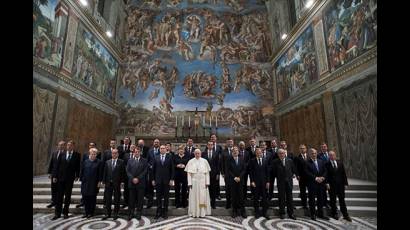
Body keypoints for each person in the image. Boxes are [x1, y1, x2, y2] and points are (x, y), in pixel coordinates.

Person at [52, 140, 81, 220]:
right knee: (59, 197)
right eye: (68, 145)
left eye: (70, 145)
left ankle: (65, 213)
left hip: (70, 179)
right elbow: (57, 166)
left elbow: (78, 167)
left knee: (67, 197)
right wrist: (54, 176)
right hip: (60, 179)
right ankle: (57, 213)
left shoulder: (77, 155)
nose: (68, 146)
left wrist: (77, 175)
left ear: (73, 146)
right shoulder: (61, 154)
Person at [325, 150, 351, 221]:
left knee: (342, 200)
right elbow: (326, 175)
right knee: (333, 201)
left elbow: (343, 174)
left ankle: (345, 215)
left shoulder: (340, 162)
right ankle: (334, 214)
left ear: (335, 155)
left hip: (340, 185)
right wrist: (326, 183)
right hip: (332, 186)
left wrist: (345, 183)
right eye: (330, 155)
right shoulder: (326, 164)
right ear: (329, 156)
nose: (332, 156)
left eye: (333, 155)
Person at [185, 149, 212, 217]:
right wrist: (189, 183)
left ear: (201, 154)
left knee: (202, 198)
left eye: (198, 153)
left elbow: (207, 173)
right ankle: (194, 212)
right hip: (194, 183)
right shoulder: (190, 161)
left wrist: (207, 182)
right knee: (194, 198)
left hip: (203, 182)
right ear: (194, 154)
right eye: (196, 153)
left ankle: (202, 212)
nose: (197, 154)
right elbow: (189, 174)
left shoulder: (205, 161)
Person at [272, 149, 297, 220]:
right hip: (280, 183)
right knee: (281, 198)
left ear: (285, 153)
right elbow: (273, 172)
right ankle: (282, 213)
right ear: (278, 154)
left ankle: (291, 213)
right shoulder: (275, 162)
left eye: (283, 153)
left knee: (290, 198)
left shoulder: (290, 161)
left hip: (289, 182)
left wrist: (293, 174)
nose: (282, 154)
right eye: (280, 153)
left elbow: (293, 169)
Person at [305, 148, 329, 220]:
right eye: (312, 153)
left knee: (320, 199)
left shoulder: (321, 161)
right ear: (309, 154)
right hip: (312, 184)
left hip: (321, 183)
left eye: (315, 153)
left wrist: (323, 178)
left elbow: (325, 171)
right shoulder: (307, 162)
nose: (314, 154)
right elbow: (307, 173)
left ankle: (320, 213)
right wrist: (316, 178)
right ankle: (313, 214)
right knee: (312, 200)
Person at [152, 145, 174, 219]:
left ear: (166, 149)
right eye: (161, 148)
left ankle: (165, 212)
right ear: (159, 150)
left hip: (166, 181)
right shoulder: (156, 157)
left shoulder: (169, 157)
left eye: (163, 148)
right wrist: (153, 179)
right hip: (158, 180)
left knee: (166, 197)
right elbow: (153, 170)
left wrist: (171, 179)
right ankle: (158, 212)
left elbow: (172, 169)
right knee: (158, 197)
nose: (162, 149)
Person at [79, 148, 103, 218]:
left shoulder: (99, 162)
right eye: (92, 154)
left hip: (94, 183)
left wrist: (99, 181)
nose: (93, 155)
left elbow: (100, 173)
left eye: (95, 154)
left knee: (92, 198)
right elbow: (82, 171)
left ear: (96, 155)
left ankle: (91, 213)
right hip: (85, 183)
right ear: (89, 154)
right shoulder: (85, 161)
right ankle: (86, 212)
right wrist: (81, 179)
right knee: (85, 198)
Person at [102, 148, 124, 220]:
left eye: (115, 153)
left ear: (118, 154)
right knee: (108, 199)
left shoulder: (121, 162)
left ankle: (115, 213)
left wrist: (122, 182)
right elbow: (105, 172)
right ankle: (108, 213)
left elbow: (122, 173)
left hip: (117, 184)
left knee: (117, 199)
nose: (114, 154)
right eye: (113, 153)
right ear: (111, 154)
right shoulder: (107, 162)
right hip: (108, 184)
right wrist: (104, 181)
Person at [127, 146, 148, 220]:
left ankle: (139, 213)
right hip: (132, 183)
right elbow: (127, 171)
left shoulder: (144, 161)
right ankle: (131, 213)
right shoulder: (130, 160)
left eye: (138, 152)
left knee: (140, 200)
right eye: (135, 152)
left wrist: (138, 178)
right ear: (133, 152)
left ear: (140, 153)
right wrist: (132, 178)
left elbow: (145, 171)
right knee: (131, 200)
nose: (136, 153)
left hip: (141, 183)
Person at [249, 148, 270, 219]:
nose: (258, 153)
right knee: (256, 198)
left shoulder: (265, 160)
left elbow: (267, 172)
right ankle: (257, 212)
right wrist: (252, 181)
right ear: (255, 153)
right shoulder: (252, 161)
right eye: (257, 152)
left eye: (260, 152)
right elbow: (250, 172)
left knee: (264, 198)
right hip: (255, 183)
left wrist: (268, 181)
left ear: (261, 153)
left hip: (264, 183)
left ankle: (265, 212)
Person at [227, 146, 247, 218]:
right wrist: (234, 177)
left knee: (241, 197)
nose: (235, 152)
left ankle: (243, 211)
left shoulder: (242, 159)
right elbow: (228, 170)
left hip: (240, 181)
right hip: (233, 181)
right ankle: (234, 211)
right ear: (232, 152)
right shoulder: (229, 159)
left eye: (236, 151)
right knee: (234, 197)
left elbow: (244, 169)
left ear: (238, 152)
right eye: (234, 151)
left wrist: (239, 177)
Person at [77, 142, 97, 208]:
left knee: (92, 192)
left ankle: (91, 204)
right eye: (90, 145)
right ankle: (83, 202)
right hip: (85, 177)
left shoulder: (98, 154)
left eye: (93, 145)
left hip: (93, 178)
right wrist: (80, 176)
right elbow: (82, 165)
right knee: (84, 191)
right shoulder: (85, 154)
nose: (91, 146)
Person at [47, 140, 66, 208]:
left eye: (62, 145)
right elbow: (51, 163)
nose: (60, 146)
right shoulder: (54, 153)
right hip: (54, 174)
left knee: (60, 189)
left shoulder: (66, 154)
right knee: (53, 188)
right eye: (59, 145)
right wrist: (49, 172)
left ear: (64, 146)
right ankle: (53, 201)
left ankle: (58, 202)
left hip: (61, 175)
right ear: (58, 146)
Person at [202, 141, 220, 209]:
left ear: (213, 146)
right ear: (207, 145)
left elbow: (218, 164)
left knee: (213, 190)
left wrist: (218, 173)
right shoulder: (203, 154)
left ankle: (213, 204)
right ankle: (205, 204)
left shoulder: (216, 153)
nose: (210, 146)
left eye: (211, 145)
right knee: (205, 190)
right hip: (205, 174)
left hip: (214, 174)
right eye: (209, 144)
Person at [146, 139, 161, 208]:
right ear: (153, 143)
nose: (156, 143)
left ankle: (159, 203)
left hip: (158, 172)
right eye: (155, 142)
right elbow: (147, 161)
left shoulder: (161, 150)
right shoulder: (150, 151)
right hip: (151, 172)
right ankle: (150, 202)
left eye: (157, 142)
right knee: (150, 188)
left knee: (158, 188)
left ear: (159, 143)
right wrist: (150, 166)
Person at [220, 138, 234, 208]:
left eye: (231, 142)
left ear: (233, 143)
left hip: (234, 174)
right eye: (228, 142)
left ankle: (233, 203)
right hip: (227, 174)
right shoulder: (223, 151)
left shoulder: (235, 150)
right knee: (227, 189)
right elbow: (221, 163)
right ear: (226, 143)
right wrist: (222, 172)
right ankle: (228, 203)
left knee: (234, 189)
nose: (230, 143)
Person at [295, 144, 309, 210]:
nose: (302, 149)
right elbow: (296, 167)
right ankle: (304, 204)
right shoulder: (297, 158)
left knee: (311, 191)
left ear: (306, 149)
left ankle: (311, 203)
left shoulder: (309, 157)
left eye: (303, 148)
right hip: (302, 177)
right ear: (299, 150)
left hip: (310, 177)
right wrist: (297, 175)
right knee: (303, 191)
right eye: (301, 148)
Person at [318, 142, 330, 208]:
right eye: (322, 147)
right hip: (323, 175)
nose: (324, 148)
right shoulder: (319, 155)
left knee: (332, 191)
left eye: (325, 147)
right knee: (324, 190)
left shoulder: (330, 154)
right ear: (321, 148)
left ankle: (332, 203)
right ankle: (325, 203)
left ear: (327, 147)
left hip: (331, 175)